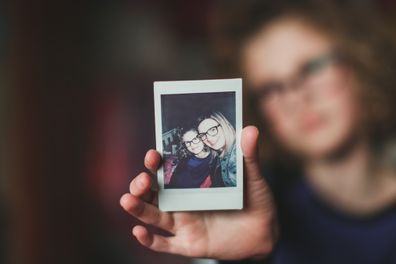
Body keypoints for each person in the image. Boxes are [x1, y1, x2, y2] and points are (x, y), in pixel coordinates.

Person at [120, 1, 396, 263]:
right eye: (272, 88)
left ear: (360, 59)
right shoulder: (249, 216)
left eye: (311, 68)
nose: (296, 99)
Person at [197, 112, 236, 187]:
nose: (209, 138)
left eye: (212, 130)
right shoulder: (217, 155)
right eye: (203, 135)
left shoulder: (236, 154)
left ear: (224, 125)